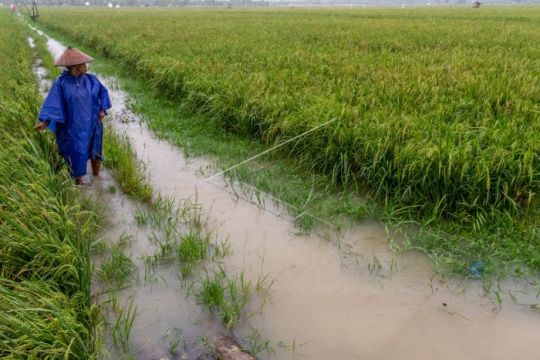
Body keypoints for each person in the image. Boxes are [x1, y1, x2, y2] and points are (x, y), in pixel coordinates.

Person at [36, 47, 111, 185]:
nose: (86, 66)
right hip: (73, 127)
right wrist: (45, 122)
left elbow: (103, 93)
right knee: (77, 152)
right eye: (83, 64)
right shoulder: (61, 82)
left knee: (96, 150)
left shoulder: (91, 80)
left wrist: (103, 110)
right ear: (76, 67)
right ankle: (79, 182)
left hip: (93, 123)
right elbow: (54, 103)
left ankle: (97, 181)